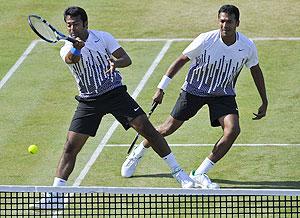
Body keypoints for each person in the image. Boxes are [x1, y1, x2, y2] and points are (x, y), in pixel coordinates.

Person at [32, 6, 197, 209]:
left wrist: (115, 63)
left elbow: (126, 59)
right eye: (68, 25)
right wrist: (77, 47)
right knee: (70, 147)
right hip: (89, 101)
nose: (71, 29)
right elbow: (72, 59)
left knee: (149, 131)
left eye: (75, 24)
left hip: (115, 94)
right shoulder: (66, 48)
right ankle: (56, 196)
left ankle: (180, 174)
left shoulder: (103, 37)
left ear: (85, 23)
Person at [121, 4, 268, 189]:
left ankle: (200, 173)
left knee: (233, 130)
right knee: (167, 129)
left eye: (229, 21)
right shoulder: (206, 39)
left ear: (237, 23)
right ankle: (139, 151)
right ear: (218, 21)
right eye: (222, 21)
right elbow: (181, 60)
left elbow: (255, 70)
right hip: (194, 90)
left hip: (223, 93)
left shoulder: (247, 46)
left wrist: (264, 100)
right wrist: (161, 87)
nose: (225, 25)